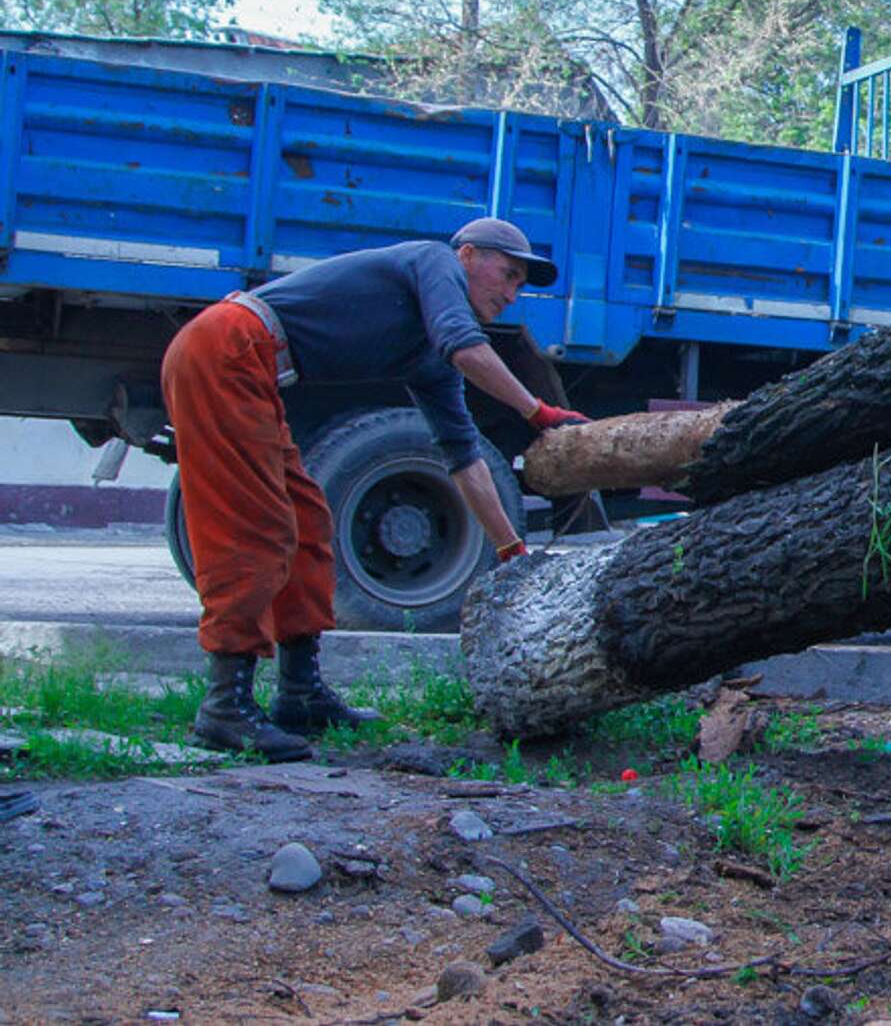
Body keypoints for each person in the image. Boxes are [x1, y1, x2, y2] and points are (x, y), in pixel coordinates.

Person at [161, 217, 590, 762]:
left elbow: (465, 458)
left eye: (518, 285)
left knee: (309, 525)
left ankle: (299, 692)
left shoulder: (430, 360)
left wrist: (511, 550)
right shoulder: (433, 262)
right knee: (257, 529)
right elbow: (468, 348)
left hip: (252, 368)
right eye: (506, 275)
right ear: (467, 257)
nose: (510, 294)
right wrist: (539, 412)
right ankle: (224, 706)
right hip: (225, 348)